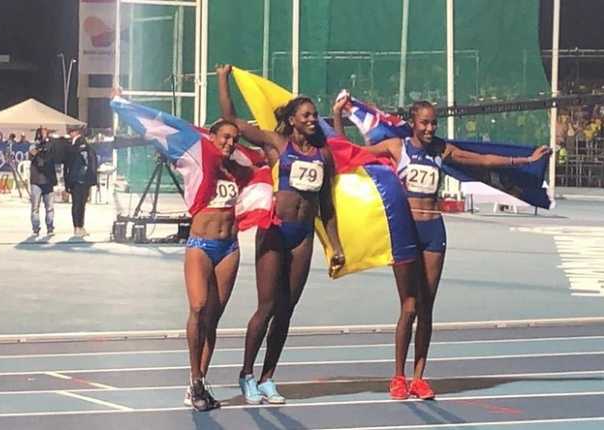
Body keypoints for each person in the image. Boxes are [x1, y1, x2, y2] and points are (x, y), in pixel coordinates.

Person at [334, 99, 549, 400]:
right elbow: (350, 155)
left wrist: (524, 161)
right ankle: (398, 377)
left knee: (426, 308)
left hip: (434, 231)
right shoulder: (397, 147)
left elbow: (482, 160)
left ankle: (419, 378)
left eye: (434, 123)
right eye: (424, 122)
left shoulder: (441, 150)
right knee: (408, 307)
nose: (430, 128)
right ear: (413, 122)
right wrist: (336, 116)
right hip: (407, 231)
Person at [217, 64, 345, 405]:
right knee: (268, 305)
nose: (312, 119)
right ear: (291, 120)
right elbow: (231, 122)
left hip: (303, 236)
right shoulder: (276, 144)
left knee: (286, 310)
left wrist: (335, 245)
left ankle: (268, 377)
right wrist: (223, 79)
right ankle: (246, 373)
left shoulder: (323, 155)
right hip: (274, 231)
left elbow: (327, 205)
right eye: (306, 115)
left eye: (315, 115)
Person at [183, 120, 249, 411]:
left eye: (234, 139)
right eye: (224, 137)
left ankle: (199, 382)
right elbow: (166, 137)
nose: (230, 143)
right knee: (198, 307)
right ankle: (194, 375)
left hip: (229, 248)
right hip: (200, 245)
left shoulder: (237, 170)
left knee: (213, 317)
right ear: (211, 138)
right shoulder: (197, 163)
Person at [63, 125, 97, 237]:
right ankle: (77, 226)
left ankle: (80, 226)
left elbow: (88, 160)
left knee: (81, 204)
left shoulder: (82, 144)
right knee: (77, 204)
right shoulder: (73, 144)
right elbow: (68, 162)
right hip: (76, 178)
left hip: (80, 178)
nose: (71, 134)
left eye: (72, 131)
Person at [28, 127, 56, 236]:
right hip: (36, 180)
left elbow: (51, 156)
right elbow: (32, 153)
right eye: (42, 133)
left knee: (49, 207)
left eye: (46, 133)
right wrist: (39, 144)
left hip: (48, 180)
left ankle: (50, 227)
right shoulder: (33, 146)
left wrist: (46, 143)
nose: (45, 134)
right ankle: (36, 228)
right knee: (35, 206)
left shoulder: (51, 146)